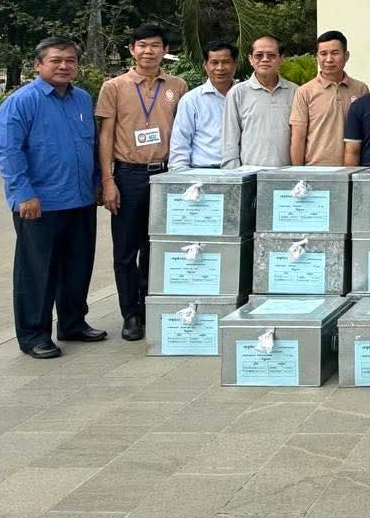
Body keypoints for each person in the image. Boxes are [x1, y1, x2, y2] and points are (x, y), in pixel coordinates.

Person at [0, 38, 105, 359]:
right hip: (40, 203)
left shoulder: (81, 99)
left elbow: (91, 146)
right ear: (38, 65)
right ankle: (34, 335)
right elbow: (9, 152)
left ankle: (73, 323)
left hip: (80, 199)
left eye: (70, 60)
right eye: (56, 60)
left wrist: (98, 182)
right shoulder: (21, 102)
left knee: (77, 265)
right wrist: (23, 194)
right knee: (37, 271)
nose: (64, 66)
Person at [96, 25, 188, 341]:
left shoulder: (177, 85)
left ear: (165, 50)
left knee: (158, 247)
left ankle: (151, 306)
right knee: (126, 250)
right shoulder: (114, 87)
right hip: (129, 174)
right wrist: (108, 180)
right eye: (142, 45)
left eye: (155, 46)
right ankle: (130, 314)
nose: (149, 51)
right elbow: (106, 136)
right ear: (132, 49)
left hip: (167, 174)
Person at [289, 30, 369, 166]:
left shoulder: (361, 89)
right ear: (317, 57)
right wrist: (297, 171)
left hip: (352, 168)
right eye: (323, 54)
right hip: (315, 169)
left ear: (346, 56)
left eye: (335, 53)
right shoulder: (304, 92)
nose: (329, 59)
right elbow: (298, 137)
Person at [222, 35, 298, 168]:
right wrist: (233, 174)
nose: (265, 59)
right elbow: (230, 140)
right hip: (249, 173)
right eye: (259, 55)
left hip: (286, 173)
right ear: (250, 59)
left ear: (281, 59)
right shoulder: (237, 93)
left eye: (271, 55)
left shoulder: (295, 92)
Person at [168, 40, 237, 170]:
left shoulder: (245, 96)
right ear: (205, 65)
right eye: (214, 62)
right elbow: (180, 140)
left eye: (226, 62)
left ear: (235, 64)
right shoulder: (191, 100)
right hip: (203, 171)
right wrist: (179, 173)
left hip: (240, 171)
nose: (220, 68)